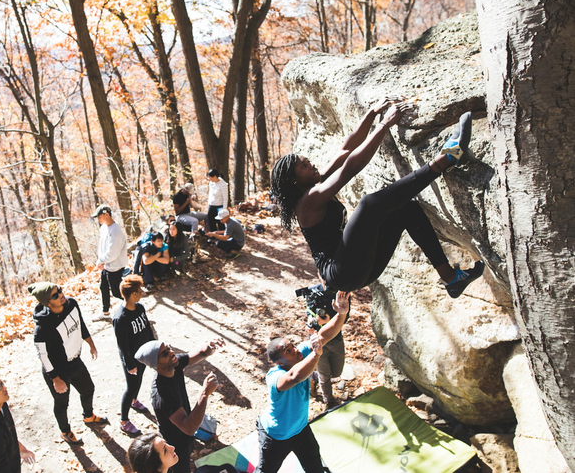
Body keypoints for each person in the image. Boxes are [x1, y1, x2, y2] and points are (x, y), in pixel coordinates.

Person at [269, 100, 484, 297]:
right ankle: (447, 158)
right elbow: (350, 167)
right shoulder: (308, 201)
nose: (311, 165)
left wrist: (372, 113)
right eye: (304, 166)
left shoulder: (316, 184)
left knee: (407, 209)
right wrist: (385, 125)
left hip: (361, 268)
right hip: (342, 272)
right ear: (293, 182)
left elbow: (346, 149)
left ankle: (451, 279)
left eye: (308, 161)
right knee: (368, 205)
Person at [256, 291, 350, 473]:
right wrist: (316, 354)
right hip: (276, 435)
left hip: (300, 429)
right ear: (279, 362)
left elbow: (324, 335)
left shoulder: (300, 355)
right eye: (288, 350)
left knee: (315, 467)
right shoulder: (275, 376)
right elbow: (294, 377)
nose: (296, 350)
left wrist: (341, 314)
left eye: (292, 345)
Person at [29, 282, 108, 446]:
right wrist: (55, 379)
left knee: (88, 389)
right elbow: (43, 356)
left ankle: (89, 416)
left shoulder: (71, 304)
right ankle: (65, 431)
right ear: (48, 303)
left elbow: (81, 325)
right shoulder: (42, 328)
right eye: (55, 295)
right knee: (62, 403)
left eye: (59, 290)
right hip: (57, 371)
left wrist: (91, 344)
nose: (60, 295)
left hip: (75, 361)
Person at [135, 338, 226, 473]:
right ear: (156, 364)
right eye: (165, 354)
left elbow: (200, 353)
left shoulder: (173, 363)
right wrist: (204, 393)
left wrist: (209, 346)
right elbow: (188, 427)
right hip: (175, 443)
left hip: (186, 438)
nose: (172, 353)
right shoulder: (162, 394)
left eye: (169, 348)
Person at [112, 275, 156, 436]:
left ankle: (133, 401)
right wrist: (130, 365)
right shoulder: (120, 318)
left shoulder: (140, 308)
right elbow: (123, 346)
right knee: (131, 387)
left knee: (139, 381)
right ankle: (124, 420)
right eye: (139, 290)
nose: (142, 292)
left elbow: (147, 329)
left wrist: (153, 346)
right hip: (131, 359)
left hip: (144, 354)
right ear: (133, 294)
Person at [93, 204, 130, 321]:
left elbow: (113, 253)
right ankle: (105, 312)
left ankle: (134, 306)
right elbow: (102, 246)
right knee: (103, 287)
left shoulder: (116, 231)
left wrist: (101, 260)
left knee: (116, 292)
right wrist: (101, 261)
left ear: (106, 215)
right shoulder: (104, 228)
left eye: (99, 217)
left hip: (115, 266)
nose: (98, 220)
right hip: (106, 265)